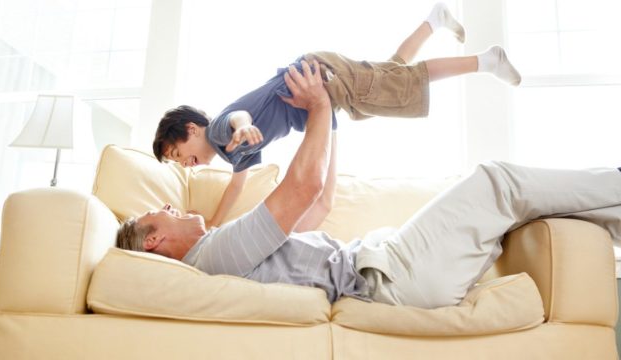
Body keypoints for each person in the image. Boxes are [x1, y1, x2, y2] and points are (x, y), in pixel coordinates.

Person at [118, 59, 621, 309]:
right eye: (156, 212)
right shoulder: (214, 255)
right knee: (499, 182)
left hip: (386, 264)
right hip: (392, 277)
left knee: (525, 207)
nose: (169, 201)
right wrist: (316, 106)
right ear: (157, 241)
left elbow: (315, 206)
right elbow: (301, 189)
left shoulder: (220, 249)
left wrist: (328, 122)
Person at [151, 3, 522, 228]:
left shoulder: (220, 132)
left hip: (317, 78)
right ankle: (433, 21)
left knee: (403, 85)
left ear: (190, 129)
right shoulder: (233, 153)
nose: (184, 164)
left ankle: (487, 61)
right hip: (320, 103)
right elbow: (236, 186)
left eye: (176, 154)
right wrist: (214, 223)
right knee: (390, 77)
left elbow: (237, 117)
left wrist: (244, 127)